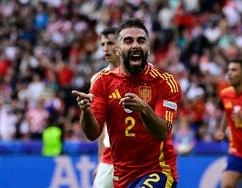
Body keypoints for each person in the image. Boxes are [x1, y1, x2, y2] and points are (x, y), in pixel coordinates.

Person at [72, 18, 182, 188]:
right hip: (122, 175)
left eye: (141, 40)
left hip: (158, 170)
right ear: (118, 49)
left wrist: (144, 109)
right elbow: (92, 134)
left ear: (148, 48)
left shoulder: (165, 82)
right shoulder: (102, 82)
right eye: (128, 41)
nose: (135, 45)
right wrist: (86, 112)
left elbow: (162, 133)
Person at [91, 27, 120, 188]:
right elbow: (100, 126)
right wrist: (100, 160)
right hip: (110, 154)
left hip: (136, 153)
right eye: (103, 44)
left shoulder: (140, 75)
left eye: (110, 43)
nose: (105, 48)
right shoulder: (98, 79)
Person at [214, 59, 242, 188]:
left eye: (234, 70)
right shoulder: (226, 94)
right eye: (229, 70)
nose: (229, 73)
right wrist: (221, 129)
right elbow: (227, 110)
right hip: (236, 149)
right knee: (227, 185)